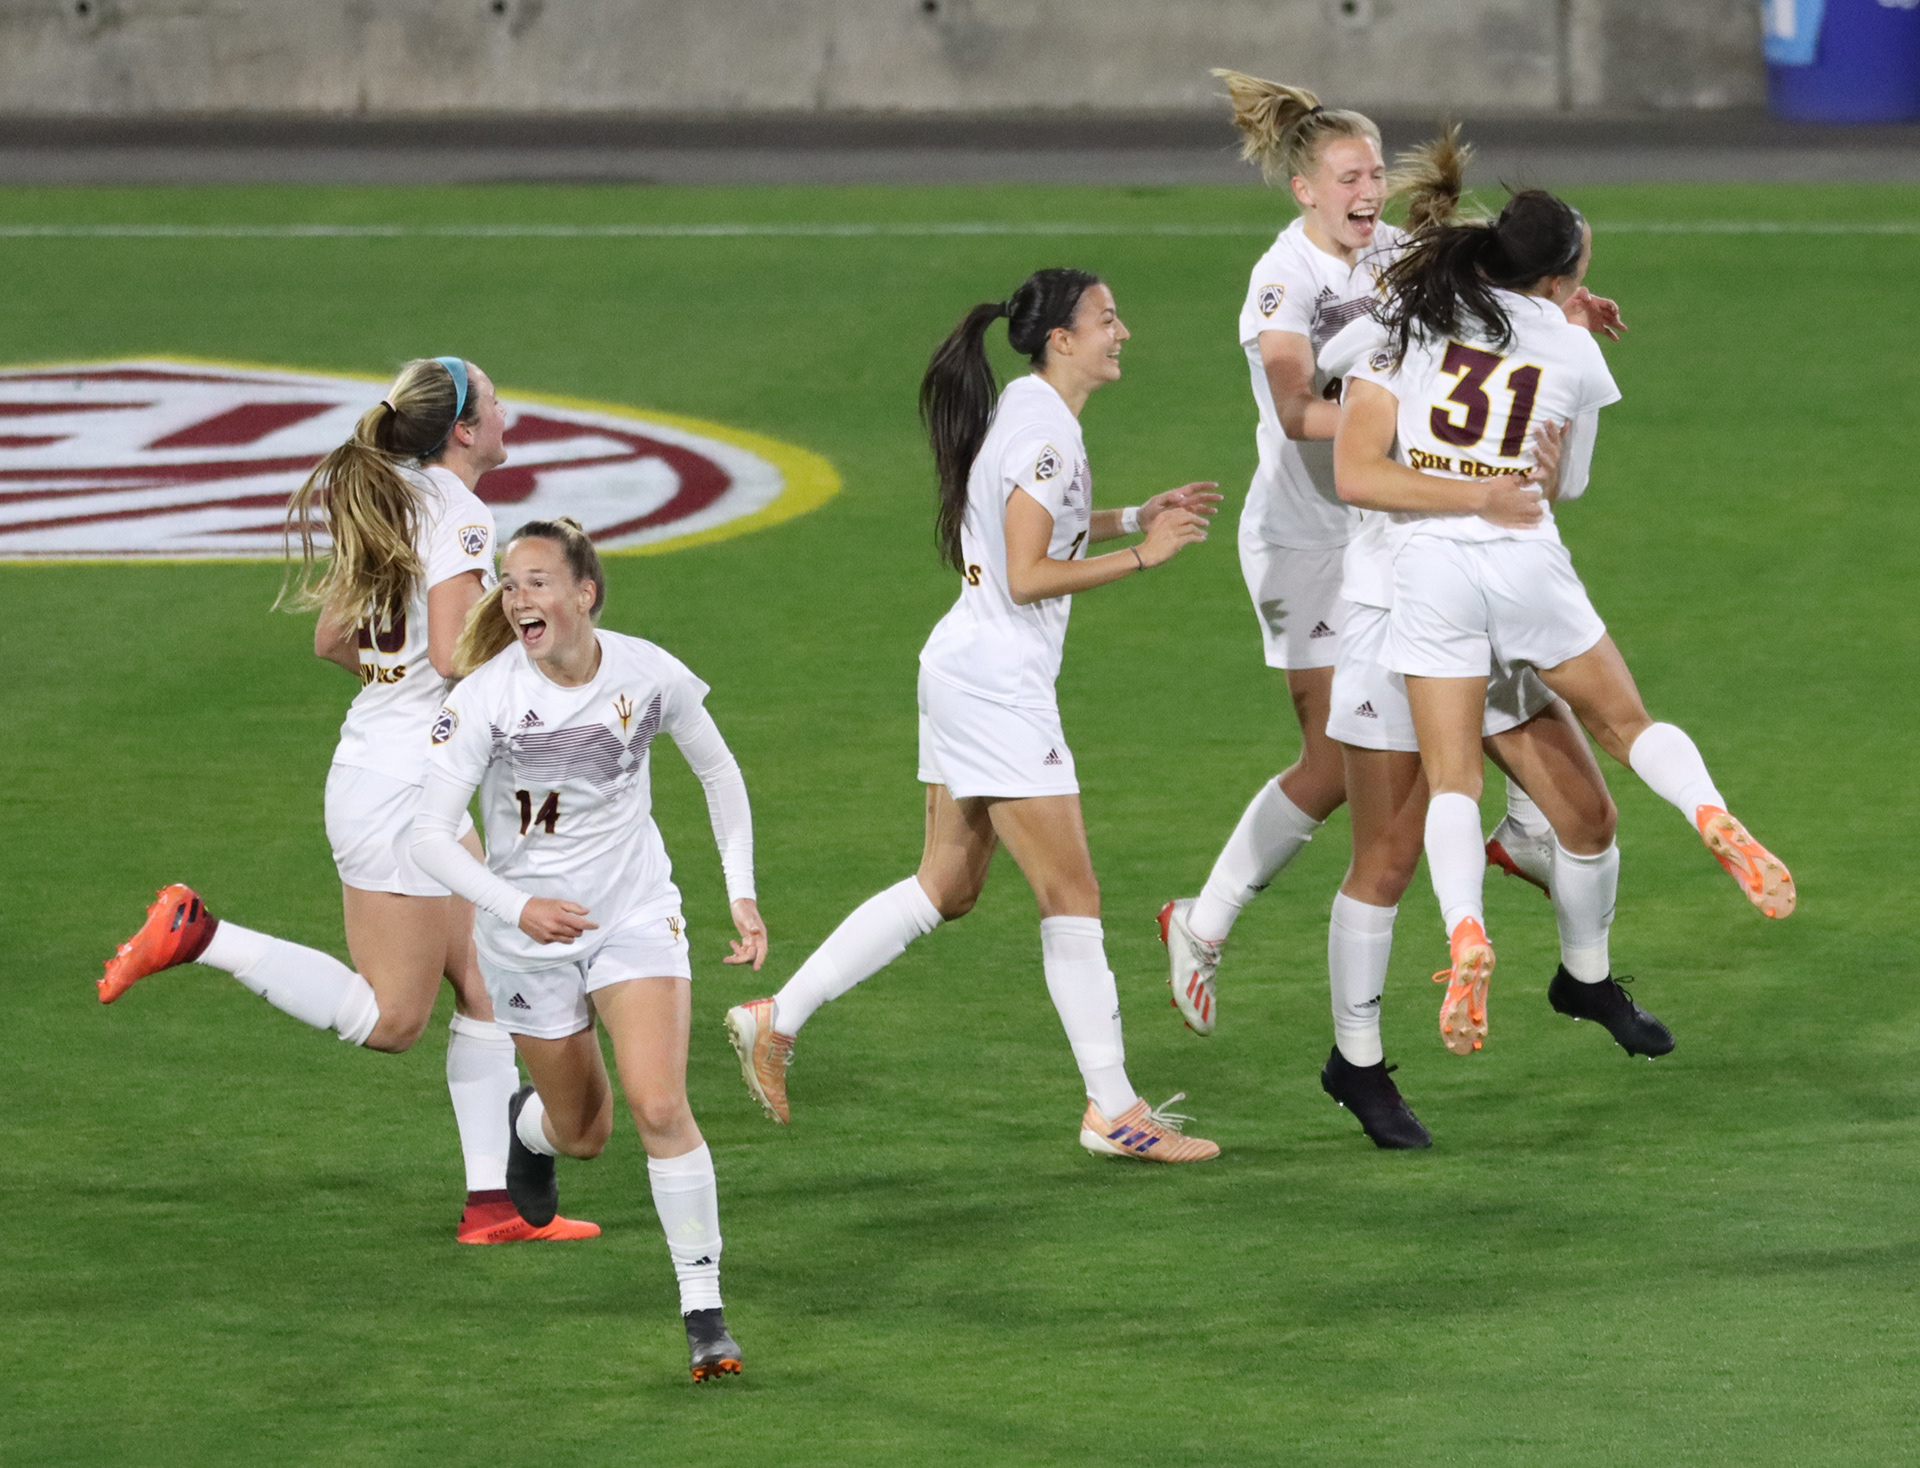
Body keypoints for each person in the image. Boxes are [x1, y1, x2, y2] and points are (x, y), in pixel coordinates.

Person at [725, 268, 1224, 1162]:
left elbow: (1019, 536)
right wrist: (1145, 556)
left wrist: (1129, 514)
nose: (1125, 332)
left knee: (946, 887)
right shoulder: (1045, 435)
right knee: (1072, 896)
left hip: (963, 667)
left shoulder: (1031, 417)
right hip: (997, 687)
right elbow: (1029, 573)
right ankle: (1113, 1109)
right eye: (1108, 319)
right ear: (1061, 339)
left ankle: (776, 1014)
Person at [98, 356, 597, 1244]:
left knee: (484, 985)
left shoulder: (394, 496)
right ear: (464, 431)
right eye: (494, 399)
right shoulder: (458, 511)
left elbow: (335, 636)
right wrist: (542, 676)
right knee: (393, 1018)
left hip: (402, 770)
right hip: (406, 791)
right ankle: (201, 933)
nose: (507, 408)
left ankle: (492, 1208)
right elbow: (450, 654)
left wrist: (400, 687)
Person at [1335, 187, 1795, 1072]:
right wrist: (1562, 332)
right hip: (1525, 565)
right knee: (1630, 725)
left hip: (1429, 572)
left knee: (1457, 786)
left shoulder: (1421, 312)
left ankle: (1470, 931)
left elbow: (1362, 454)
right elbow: (1565, 484)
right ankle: (1710, 812)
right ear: (1562, 274)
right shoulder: (1574, 351)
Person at [410, 517, 766, 1382]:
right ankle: (528, 1127)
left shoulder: (647, 674)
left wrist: (740, 890)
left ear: (583, 594)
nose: (516, 595)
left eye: (535, 579)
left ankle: (703, 1310)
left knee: (657, 1104)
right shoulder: (485, 699)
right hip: (524, 937)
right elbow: (424, 838)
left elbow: (717, 771)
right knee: (585, 1132)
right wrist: (518, 905)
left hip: (636, 914)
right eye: (508, 581)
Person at [1158, 74, 1402, 1037]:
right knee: (1338, 761)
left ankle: (1528, 831)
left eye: (1377, 170)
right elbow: (1300, 409)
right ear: (1306, 188)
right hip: (1302, 543)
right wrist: (1406, 418)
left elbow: (1484, 296)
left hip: (1385, 527)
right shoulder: (1282, 278)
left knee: (1457, 682)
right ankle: (1202, 921)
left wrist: (1560, 308)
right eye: (1350, 175)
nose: (1369, 189)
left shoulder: (1394, 249)